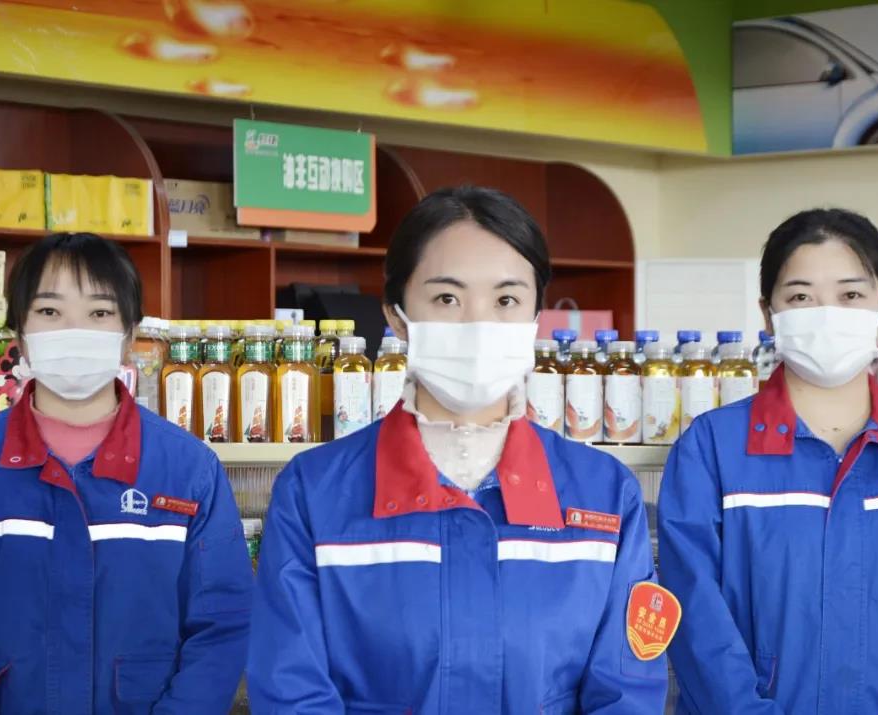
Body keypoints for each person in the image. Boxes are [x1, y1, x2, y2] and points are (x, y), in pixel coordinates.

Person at [247, 186, 668, 712]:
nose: (478, 324)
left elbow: (625, 692)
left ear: (536, 318)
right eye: (447, 299)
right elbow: (292, 689)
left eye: (506, 300)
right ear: (397, 316)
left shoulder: (603, 496)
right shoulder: (315, 492)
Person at [658, 209, 878, 714]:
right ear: (768, 313)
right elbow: (693, 613)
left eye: (851, 295)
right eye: (800, 297)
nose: (826, 314)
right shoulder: (712, 448)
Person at [0, 233, 253, 714]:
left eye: (99, 312)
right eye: (49, 311)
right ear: (19, 335)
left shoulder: (189, 471)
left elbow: (222, 625)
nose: (74, 331)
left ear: (130, 335)